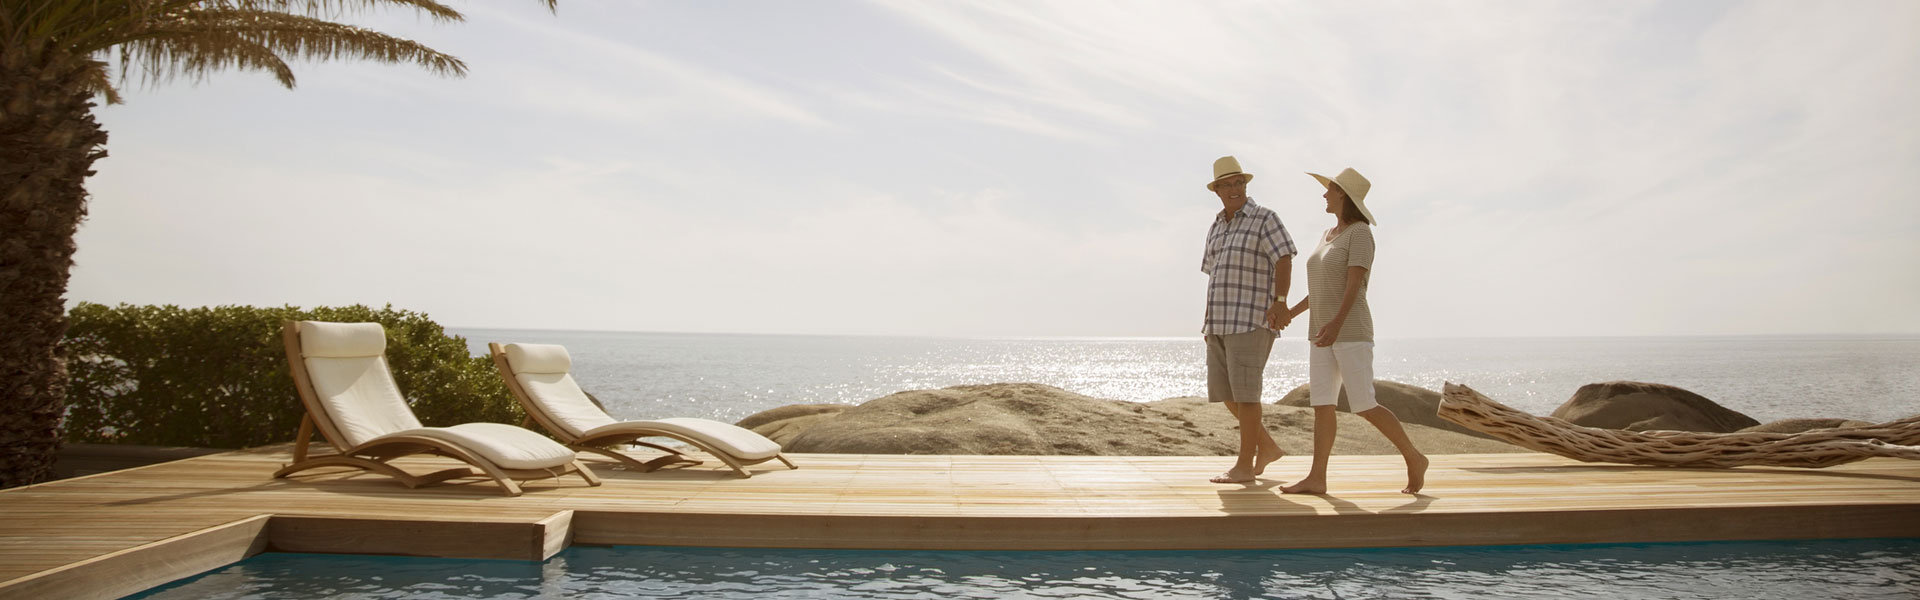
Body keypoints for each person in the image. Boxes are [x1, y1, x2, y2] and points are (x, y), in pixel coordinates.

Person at [1279, 168, 1428, 494]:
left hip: (1351, 330)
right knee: (1322, 404)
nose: (1324, 195)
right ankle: (1317, 477)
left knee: (1363, 403)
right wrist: (1292, 312)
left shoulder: (1360, 233)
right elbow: (1320, 288)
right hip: (1320, 333)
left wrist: (1336, 323)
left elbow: (1354, 284)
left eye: (1329, 189)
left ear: (1343, 195)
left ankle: (1414, 457)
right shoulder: (1327, 235)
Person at [1199, 156, 1298, 484]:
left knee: (1247, 396)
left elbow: (1283, 257)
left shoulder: (1264, 218)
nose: (1233, 189)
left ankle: (1245, 465)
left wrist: (1281, 302)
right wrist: (1208, 322)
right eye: (1226, 184)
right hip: (1220, 322)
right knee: (1224, 393)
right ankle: (1266, 446)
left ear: (1245, 185)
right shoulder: (1216, 225)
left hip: (1251, 319)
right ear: (1216, 190)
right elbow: (1214, 275)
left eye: (1238, 182)